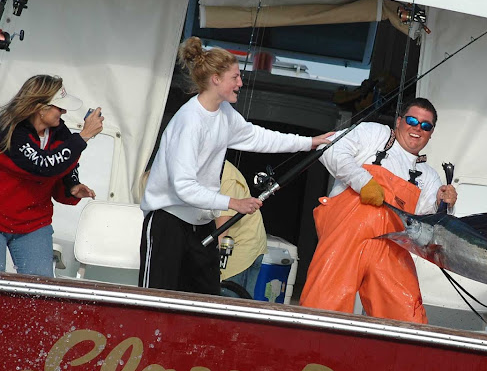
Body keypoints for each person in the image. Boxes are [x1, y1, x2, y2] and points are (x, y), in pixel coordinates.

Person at [139, 37, 332, 295]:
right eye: (235, 77)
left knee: (207, 298)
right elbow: (183, 187)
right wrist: (234, 202)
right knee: (156, 299)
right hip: (168, 222)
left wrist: (309, 142)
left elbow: (258, 137)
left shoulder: (225, 114)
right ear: (216, 79)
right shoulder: (189, 122)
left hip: (200, 222)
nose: (240, 83)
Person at [299, 97, 457, 323]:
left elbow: (428, 228)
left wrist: (446, 206)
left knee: (408, 322)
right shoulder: (374, 134)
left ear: (431, 133)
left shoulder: (430, 177)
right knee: (322, 308)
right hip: (345, 239)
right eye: (412, 120)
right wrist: (363, 182)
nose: (417, 128)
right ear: (399, 121)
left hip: (391, 249)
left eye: (425, 125)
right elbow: (328, 148)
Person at [0, 75, 102, 277]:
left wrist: (71, 187)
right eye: (59, 107)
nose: (64, 112)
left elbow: (63, 165)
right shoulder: (10, 131)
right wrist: (83, 137)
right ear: (40, 107)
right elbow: (42, 165)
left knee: (40, 292)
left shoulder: (58, 131)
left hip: (34, 223)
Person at [216, 160, 266, 298]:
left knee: (229, 300)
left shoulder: (226, 174)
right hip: (231, 240)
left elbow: (222, 226)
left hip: (239, 244)